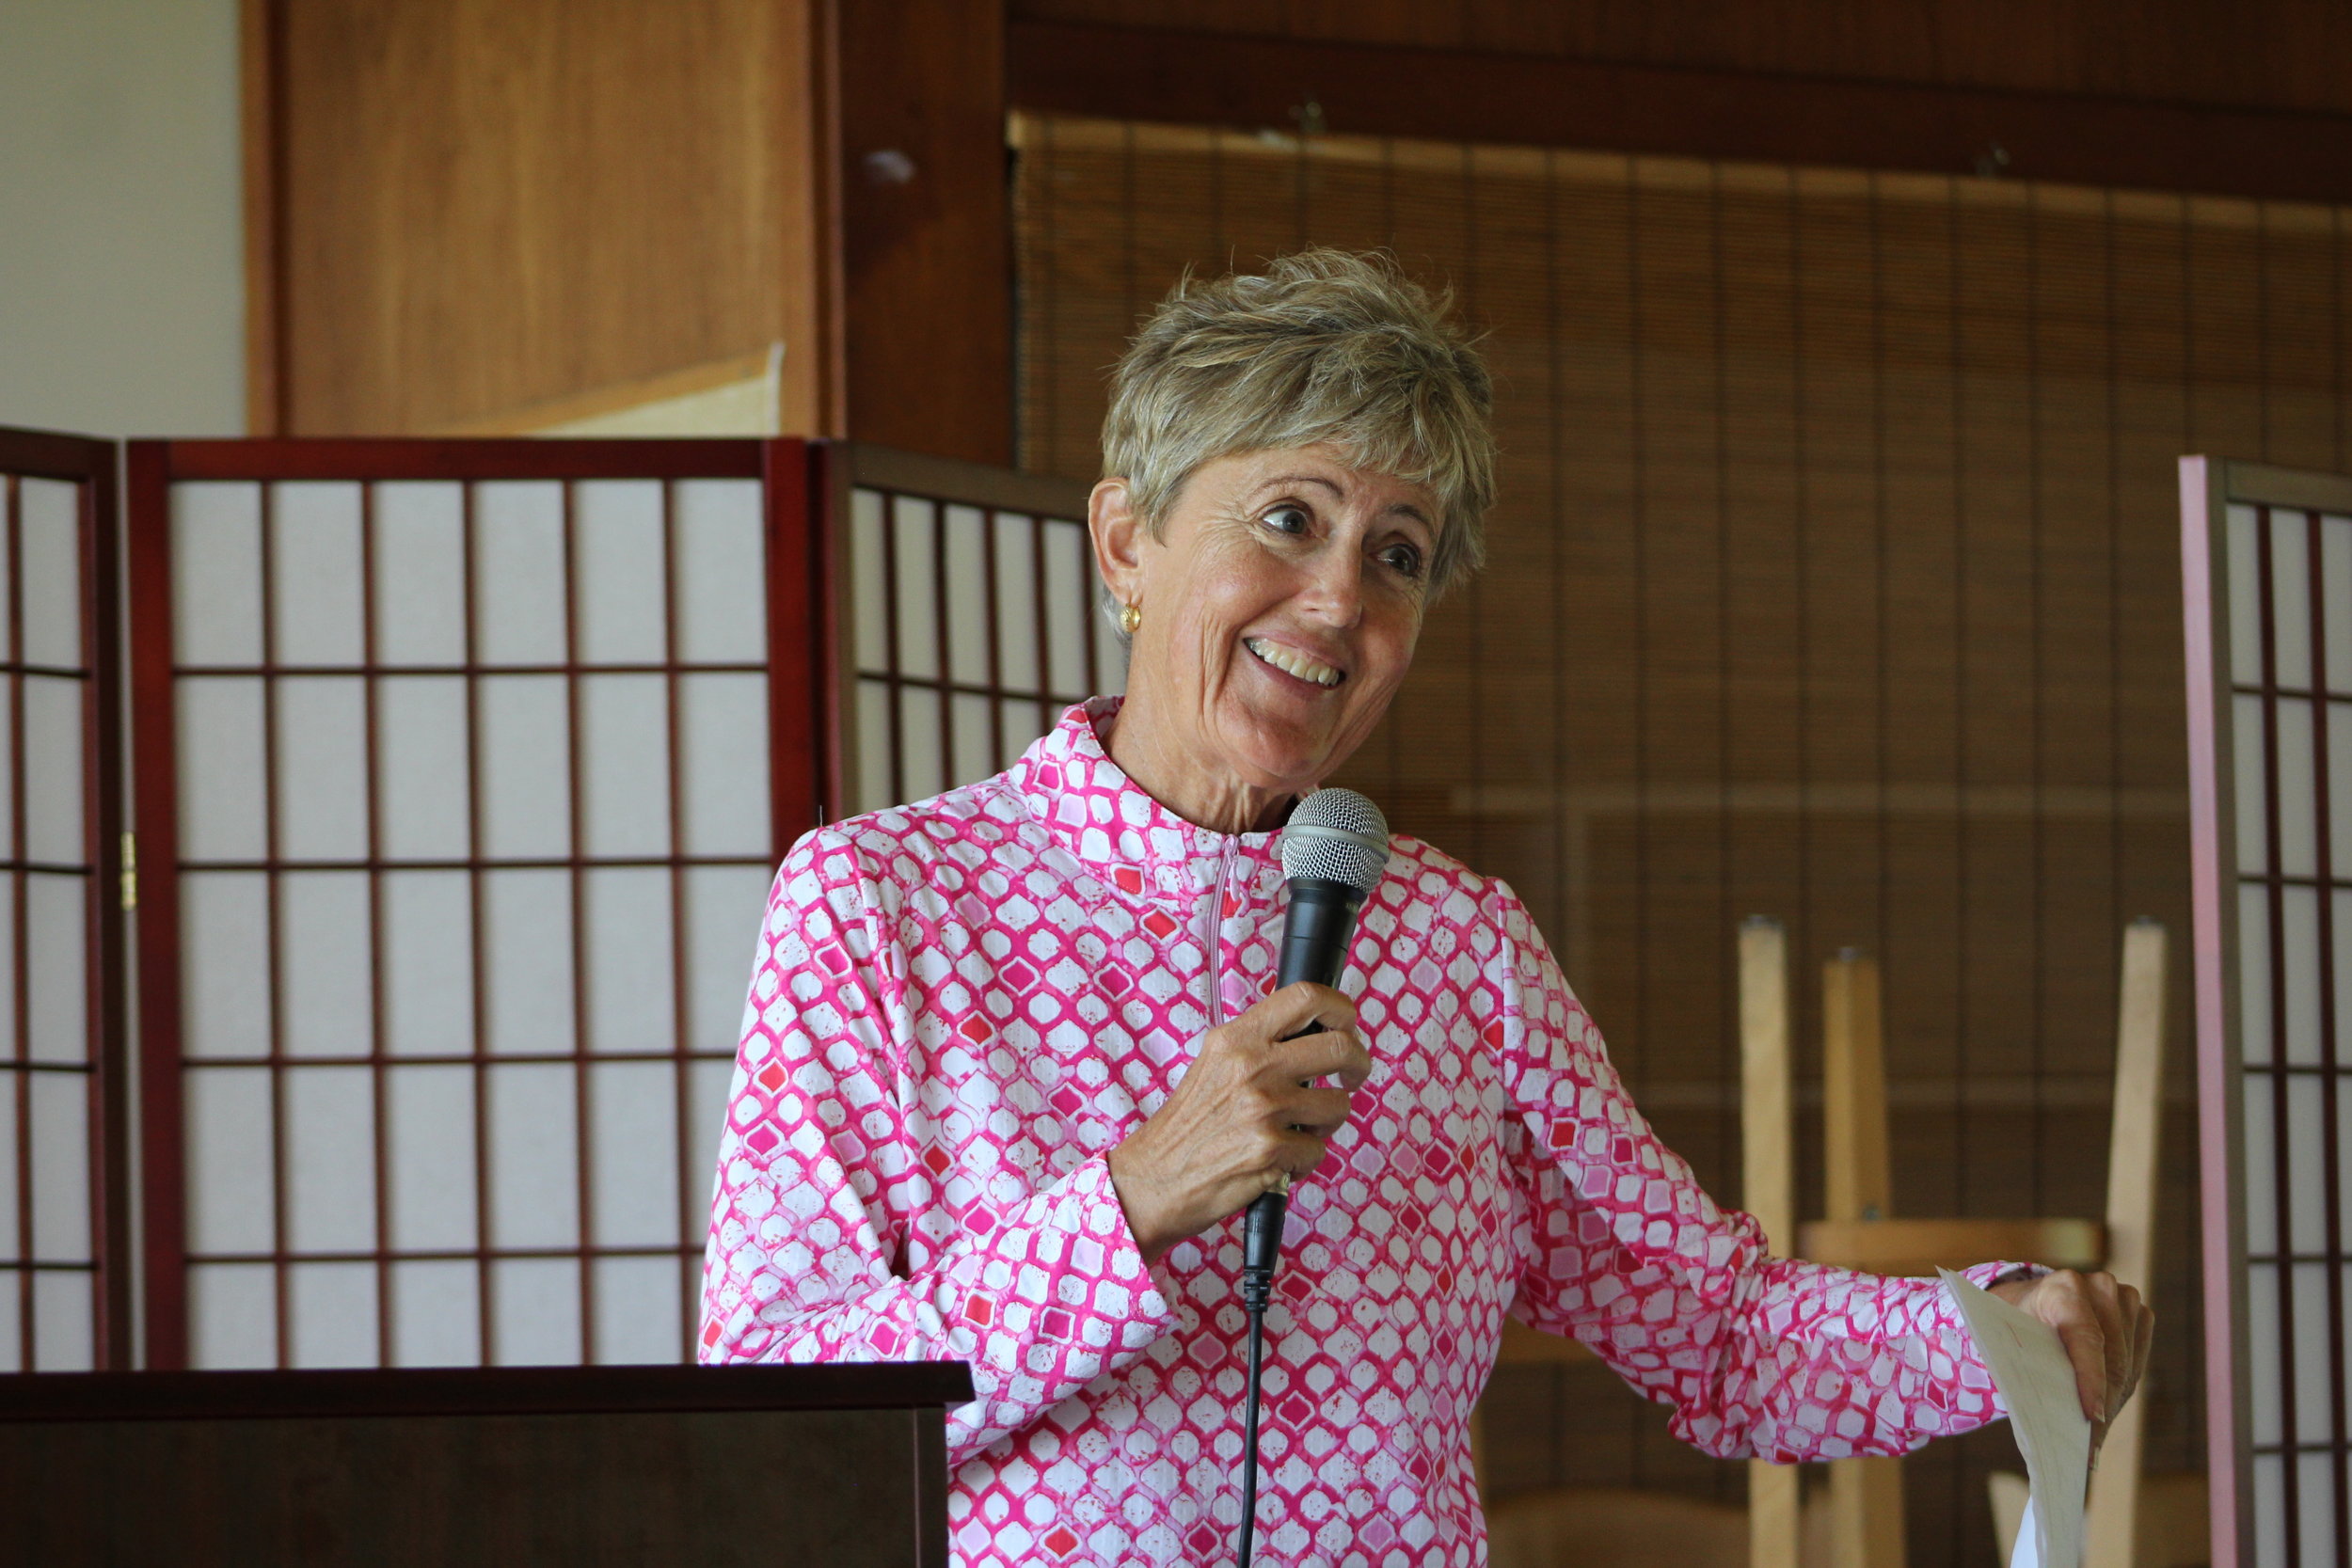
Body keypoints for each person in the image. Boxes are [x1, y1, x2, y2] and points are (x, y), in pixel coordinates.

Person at [699, 249, 2153, 1567]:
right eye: (1289, 518)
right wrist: (1132, 1203)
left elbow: (1715, 1331)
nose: (1339, 601)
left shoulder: (1458, 944)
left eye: (1396, 552)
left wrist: (1995, 1330)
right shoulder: (883, 904)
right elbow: (775, 1430)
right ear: (1127, 541)